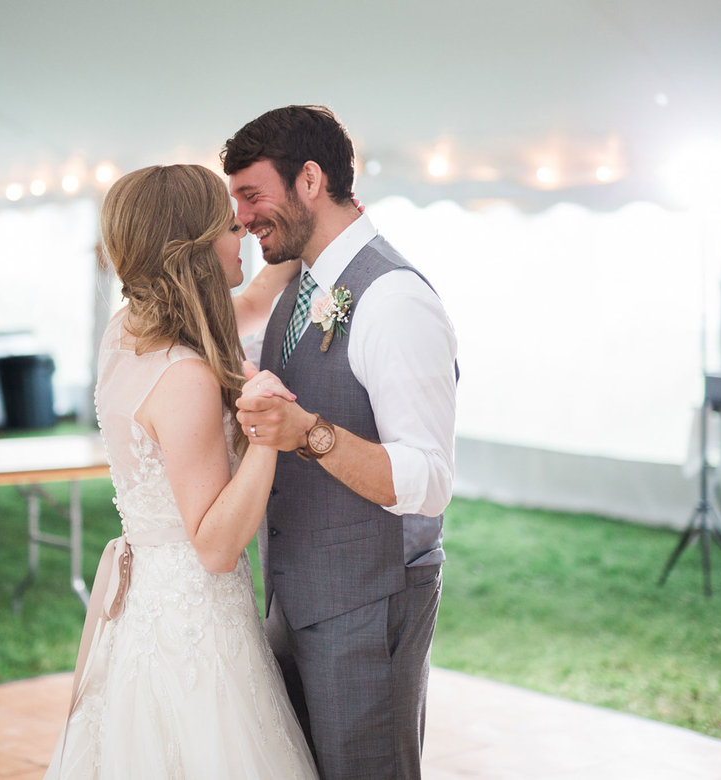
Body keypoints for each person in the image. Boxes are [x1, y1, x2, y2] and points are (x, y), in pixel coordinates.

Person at [46, 164, 317, 778]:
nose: (243, 232)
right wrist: (270, 430)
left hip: (149, 601)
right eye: (230, 225)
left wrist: (293, 235)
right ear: (194, 247)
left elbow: (245, 303)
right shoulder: (186, 376)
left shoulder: (128, 330)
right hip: (192, 616)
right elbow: (217, 546)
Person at [224, 105, 459, 779]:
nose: (242, 217)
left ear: (308, 180)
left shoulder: (395, 300)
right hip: (297, 601)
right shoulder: (302, 287)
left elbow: (427, 478)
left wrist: (310, 435)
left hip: (368, 601)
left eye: (251, 194)